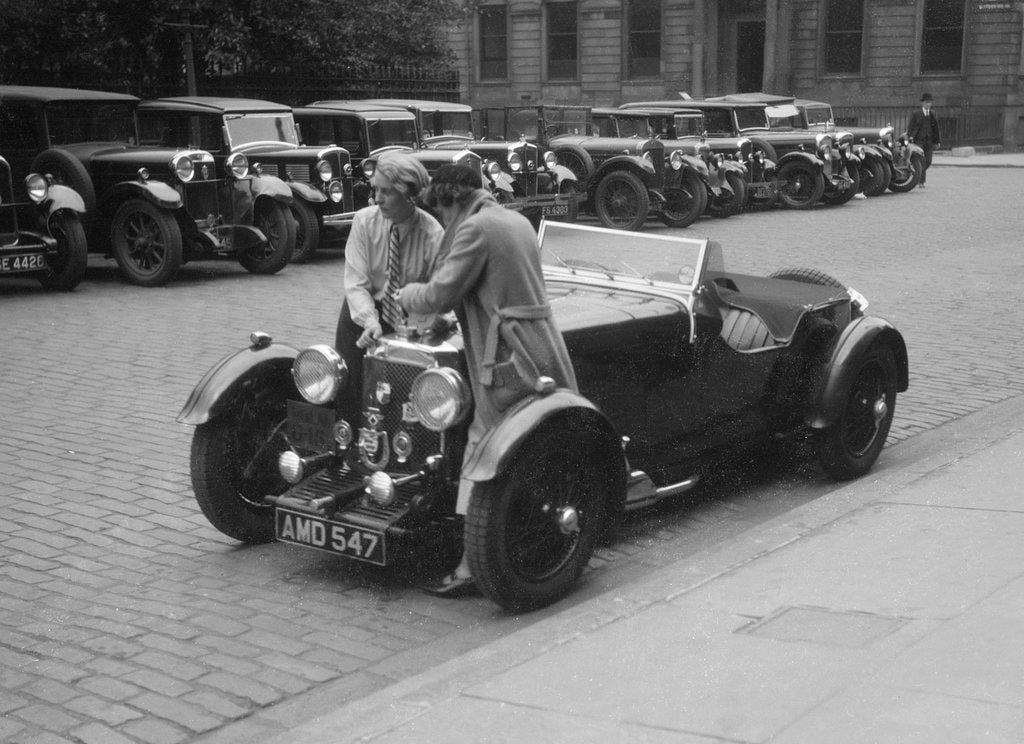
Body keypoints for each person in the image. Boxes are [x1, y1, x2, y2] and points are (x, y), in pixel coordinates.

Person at [396, 164, 578, 597]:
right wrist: (451, 325)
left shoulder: (474, 227)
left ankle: (471, 564)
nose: (441, 220)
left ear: (453, 198)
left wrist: (405, 294)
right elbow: (494, 289)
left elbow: (440, 292)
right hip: (540, 342)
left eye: (441, 209)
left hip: (507, 357)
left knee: (483, 445)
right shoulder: (513, 219)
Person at [334, 152, 445, 424]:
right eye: (376, 190)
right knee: (348, 386)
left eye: (386, 192)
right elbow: (356, 282)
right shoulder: (364, 221)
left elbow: (438, 293)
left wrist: (420, 324)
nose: (377, 198)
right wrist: (370, 321)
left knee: (399, 393)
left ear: (410, 195)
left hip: (410, 319)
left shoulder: (432, 234)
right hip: (362, 314)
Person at [906, 92, 941, 187]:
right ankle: (921, 181)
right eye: (926, 102)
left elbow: (936, 128)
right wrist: (910, 138)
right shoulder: (916, 113)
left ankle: (917, 171)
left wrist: (937, 141)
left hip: (929, 141)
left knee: (928, 161)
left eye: (929, 102)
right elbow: (911, 127)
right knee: (922, 160)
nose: (928, 104)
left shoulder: (933, 114)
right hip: (919, 141)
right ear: (923, 103)